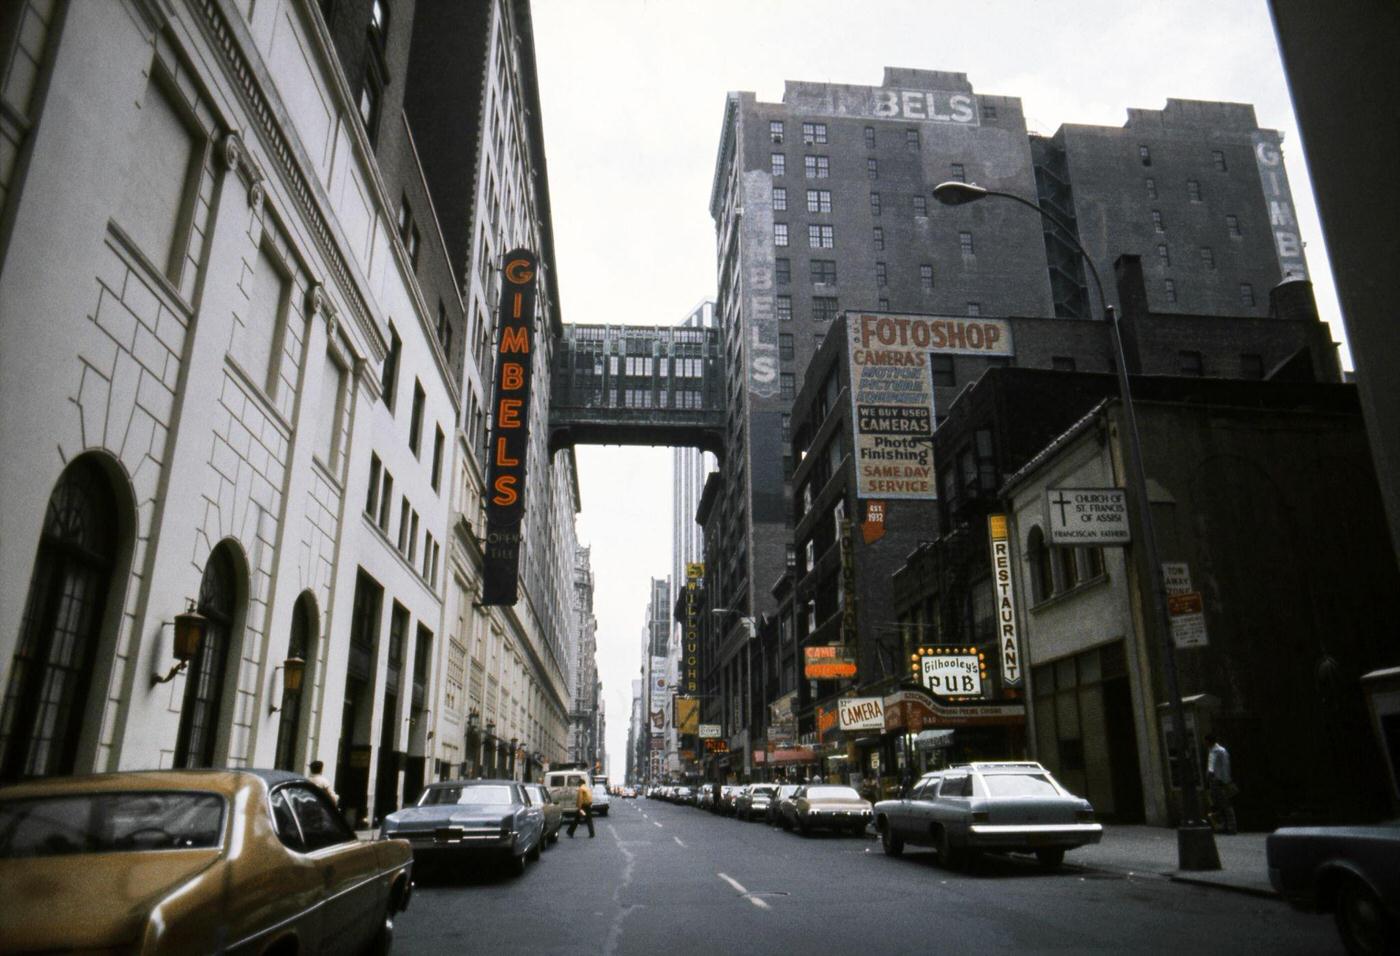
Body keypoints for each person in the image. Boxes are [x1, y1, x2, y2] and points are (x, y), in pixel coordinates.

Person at [1204, 734, 1237, 834]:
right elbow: (1211, 767)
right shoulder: (1212, 751)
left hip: (1220, 781)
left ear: (1209, 741)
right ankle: (1223, 825)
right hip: (1214, 781)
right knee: (1218, 805)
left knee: (1226, 805)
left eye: (1205, 741)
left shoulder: (1220, 751)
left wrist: (1224, 781)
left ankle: (1231, 827)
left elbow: (1224, 767)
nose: (1204, 743)